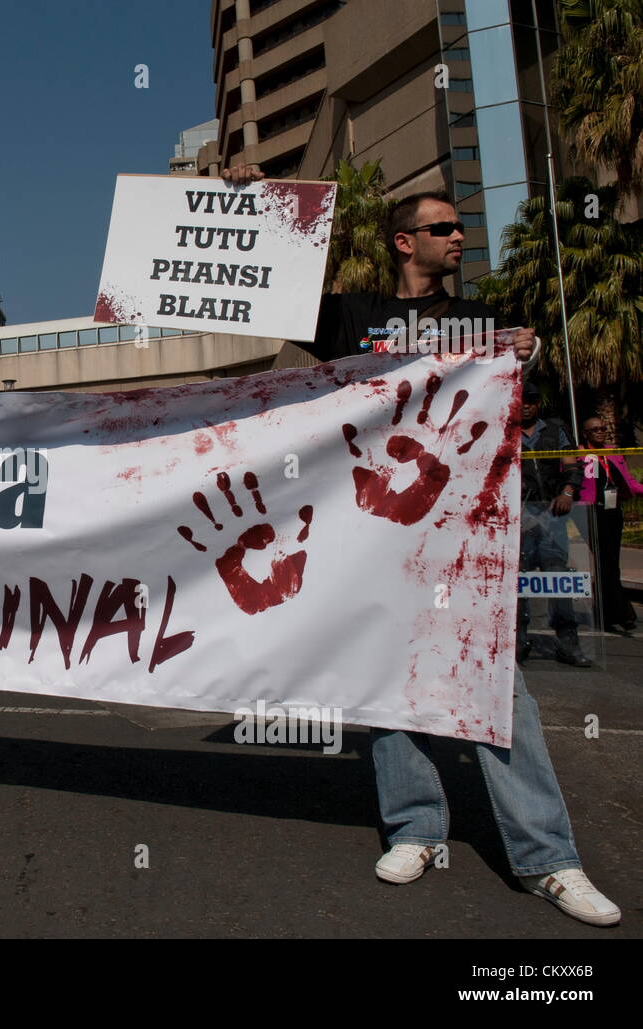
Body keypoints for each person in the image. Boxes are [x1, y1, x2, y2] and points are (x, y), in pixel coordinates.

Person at [218, 164, 620, 926]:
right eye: (442, 227)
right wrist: (253, 195)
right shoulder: (350, 315)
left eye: (460, 227)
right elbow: (266, 283)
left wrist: (524, 353)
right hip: (368, 531)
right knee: (387, 673)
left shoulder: (482, 315)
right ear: (405, 242)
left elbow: (510, 387)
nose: (459, 236)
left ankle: (548, 856)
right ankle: (417, 829)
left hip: (463, 534)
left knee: (495, 683)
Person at [517, 383, 589, 666]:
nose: (526, 405)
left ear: (538, 405)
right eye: (521, 401)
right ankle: (519, 641)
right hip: (520, 519)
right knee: (519, 581)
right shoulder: (504, 432)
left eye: (531, 401)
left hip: (551, 517)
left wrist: (567, 492)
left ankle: (568, 641)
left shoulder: (554, 429)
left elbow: (572, 466)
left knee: (558, 579)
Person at [578, 417, 643, 633]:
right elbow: (568, 478)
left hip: (612, 511)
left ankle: (608, 612)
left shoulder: (614, 452)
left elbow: (629, 482)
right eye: (594, 429)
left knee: (610, 562)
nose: (599, 432)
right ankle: (623, 613)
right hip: (589, 511)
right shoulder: (578, 453)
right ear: (585, 433)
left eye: (603, 428)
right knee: (605, 560)